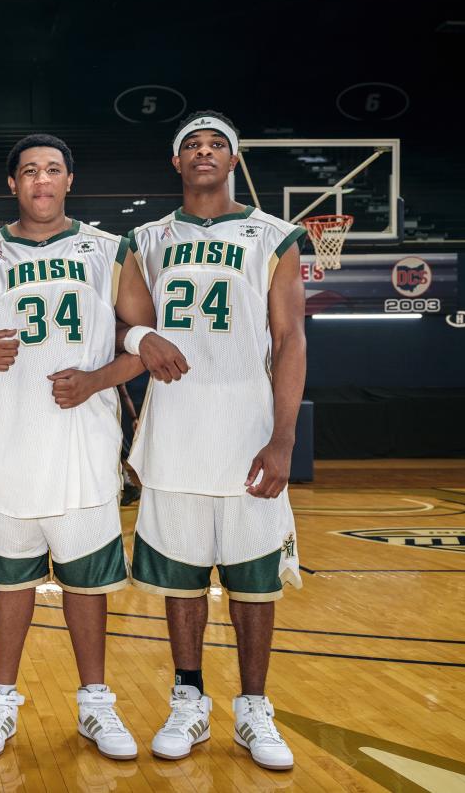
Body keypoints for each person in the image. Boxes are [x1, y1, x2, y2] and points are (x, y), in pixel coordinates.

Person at [0, 134, 186, 760]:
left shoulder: (109, 250)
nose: (41, 180)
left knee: (87, 586)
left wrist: (93, 381)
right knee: (10, 584)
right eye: (29, 171)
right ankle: (1, 701)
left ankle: (95, 704)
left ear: (70, 180)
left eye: (53, 169)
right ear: (12, 184)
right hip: (8, 441)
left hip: (84, 442)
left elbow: (141, 342)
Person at [125, 111, 306, 771]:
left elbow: (290, 339)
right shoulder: (144, 238)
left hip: (247, 430)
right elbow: (124, 329)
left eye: (216, 144)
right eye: (192, 145)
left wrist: (284, 436)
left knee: (255, 581)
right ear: (177, 163)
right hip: (173, 427)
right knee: (183, 578)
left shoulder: (273, 235)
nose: (204, 152)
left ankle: (255, 707)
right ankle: (188, 698)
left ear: (233, 160)